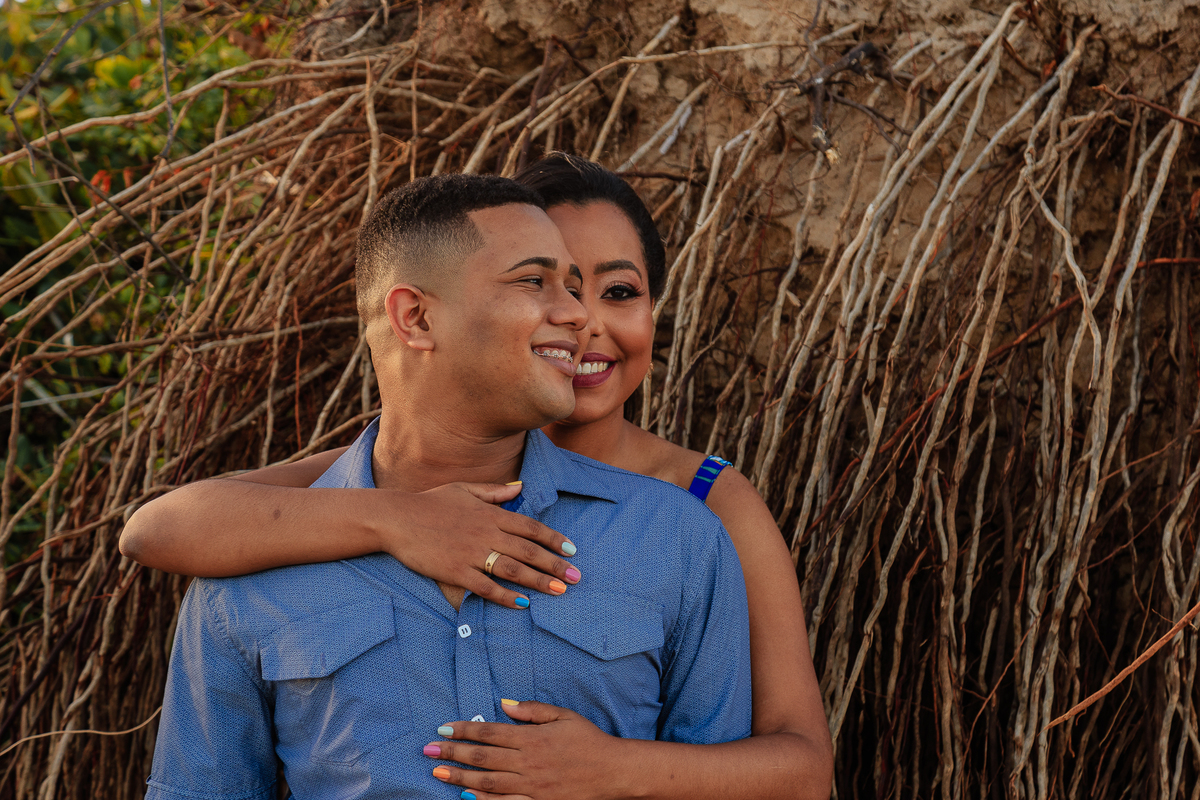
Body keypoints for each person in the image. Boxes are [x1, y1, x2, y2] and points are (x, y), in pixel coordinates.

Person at [125, 156, 833, 800]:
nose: (579, 318)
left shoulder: (685, 528)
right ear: (416, 316)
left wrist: (616, 770)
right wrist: (398, 517)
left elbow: (787, 771)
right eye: (536, 281)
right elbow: (161, 527)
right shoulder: (258, 552)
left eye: (611, 290)